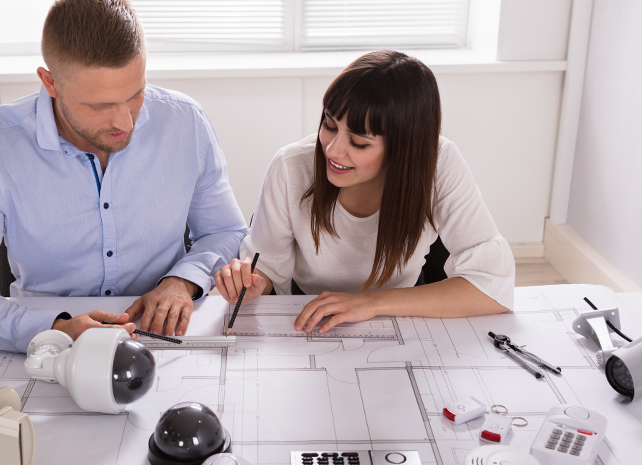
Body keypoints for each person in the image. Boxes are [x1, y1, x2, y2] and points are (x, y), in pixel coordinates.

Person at [0, 0, 247, 352]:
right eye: (100, 105)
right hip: (49, 346)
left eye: (136, 94)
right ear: (50, 82)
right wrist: (51, 328)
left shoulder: (186, 123)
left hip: (160, 338)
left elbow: (225, 230)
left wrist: (182, 280)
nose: (125, 122)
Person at [215, 50, 514, 333]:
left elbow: (493, 286)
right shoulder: (290, 166)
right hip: (308, 313)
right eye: (329, 125)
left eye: (359, 142)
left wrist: (371, 303)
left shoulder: (439, 162)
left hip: (402, 311)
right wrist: (255, 283)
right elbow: (266, 266)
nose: (332, 150)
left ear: (404, 149)